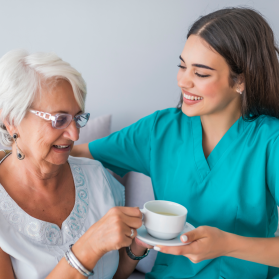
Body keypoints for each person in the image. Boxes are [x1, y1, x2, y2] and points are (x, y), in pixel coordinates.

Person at [70, 7, 279, 279]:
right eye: (182, 66)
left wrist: (227, 244)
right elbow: (76, 153)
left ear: (240, 80)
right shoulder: (160, 130)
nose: (183, 81)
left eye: (200, 74)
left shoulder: (270, 141)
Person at [0, 50, 151, 279]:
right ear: (12, 121)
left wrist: (137, 247)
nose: (74, 135)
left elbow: (114, 273)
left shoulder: (96, 176)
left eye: (78, 118)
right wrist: (88, 248)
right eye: (59, 120)